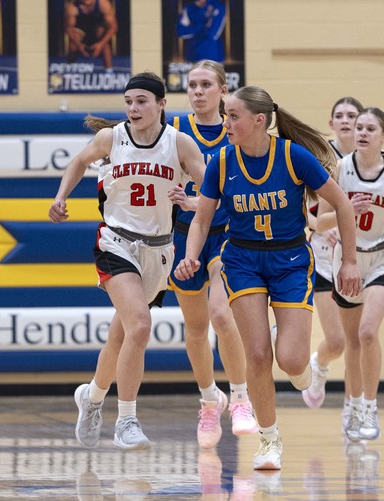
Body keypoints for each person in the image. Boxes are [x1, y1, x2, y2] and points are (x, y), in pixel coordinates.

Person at [174, 85, 362, 470]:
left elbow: (342, 204)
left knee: (291, 361)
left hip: (290, 260)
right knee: (258, 356)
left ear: (259, 120)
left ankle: (296, 357)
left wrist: (349, 262)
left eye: (233, 116)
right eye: (226, 116)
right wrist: (191, 256)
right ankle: (269, 439)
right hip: (242, 260)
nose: (226, 123)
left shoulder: (293, 156)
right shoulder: (222, 162)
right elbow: (202, 220)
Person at [50, 72, 206, 450]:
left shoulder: (179, 144)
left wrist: (191, 202)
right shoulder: (111, 138)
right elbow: (78, 162)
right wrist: (60, 197)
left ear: (161, 104)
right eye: (128, 102)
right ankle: (127, 420)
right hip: (116, 242)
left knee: (122, 336)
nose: (133, 108)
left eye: (141, 101)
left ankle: (92, 397)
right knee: (140, 325)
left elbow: (213, 195)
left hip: (159, 251)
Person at [317, 108, 384, 442]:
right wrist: (342, 215)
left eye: (370, 128)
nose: (362, 133)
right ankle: (352, 405)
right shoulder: (340, 169)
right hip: (348, 259)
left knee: (367, 333)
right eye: (359, 128)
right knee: (352, 341)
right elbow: (321, 220)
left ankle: (369, 407)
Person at [167, 60, 257, 448]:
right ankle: (208, 400)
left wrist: (199, 203)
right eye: (192, 85)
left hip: (227, 234)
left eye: (206, 84)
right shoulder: (173, 130)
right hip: (183, 235)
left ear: (223, 91)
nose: (198, 91)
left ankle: (240, 398)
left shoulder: (235, 130)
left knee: (222, 314)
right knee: (195, 327)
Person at [300, 97, 364, 418]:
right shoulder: (321, 158)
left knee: (357, 340)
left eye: (352, 115)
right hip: (325, 256)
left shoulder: (372, 162)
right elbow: (302, 208)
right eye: (339, 115)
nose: (346, 120)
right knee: (336, 342)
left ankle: (354, 411)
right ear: (331, 124)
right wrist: (320, 225)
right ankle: (320, 365)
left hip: (358, 256)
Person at [65, 0, 118, 70]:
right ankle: (70, 69)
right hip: (81, 31)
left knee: (104, 40)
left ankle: (109, 71)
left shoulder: (103, 4)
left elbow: (113, 27)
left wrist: (101, 44)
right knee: (73, 43)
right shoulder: (72, 7)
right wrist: (79, 45)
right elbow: (68, 28)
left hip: (97, 31)